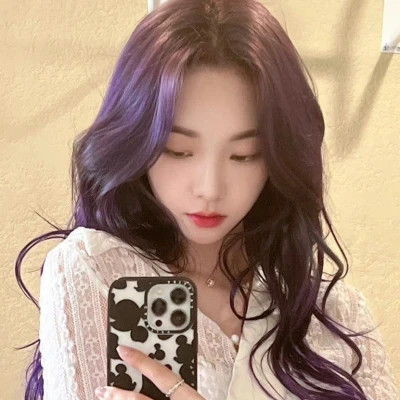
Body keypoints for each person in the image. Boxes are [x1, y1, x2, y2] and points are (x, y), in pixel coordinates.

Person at [14, 0, 399, 399]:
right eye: (179, 150)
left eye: (244, 155)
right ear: (137, 143)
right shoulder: (96, 272)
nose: (210, 188)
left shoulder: (334, 312)